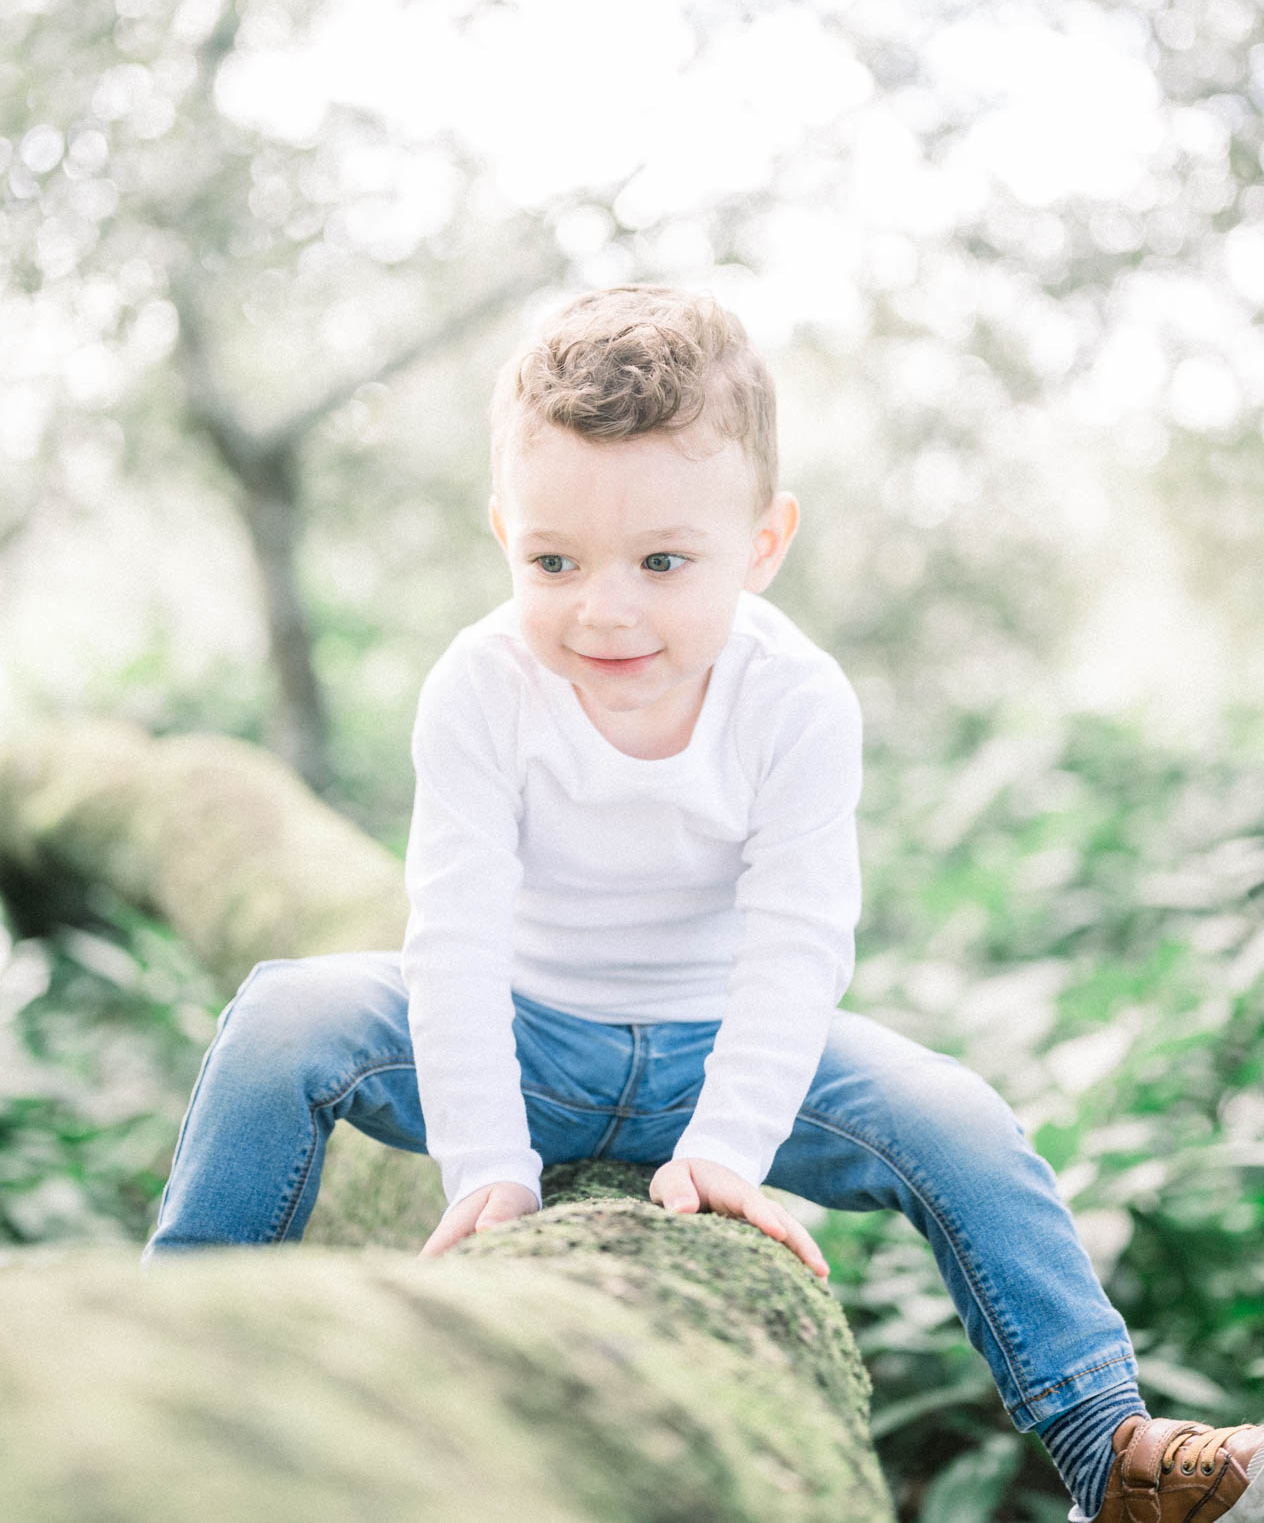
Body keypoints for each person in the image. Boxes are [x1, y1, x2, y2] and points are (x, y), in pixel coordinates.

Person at [147, 285, 1264, 1522]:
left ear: (763, 543)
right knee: (283, 1015)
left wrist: (728, 1147)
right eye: (553, 560)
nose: (605, 607)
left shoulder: (795, 699)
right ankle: (171, 1351)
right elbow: (451, 939)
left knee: (960, 1117)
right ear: (502, 530)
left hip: (724, 1049)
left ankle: (1109, 1447)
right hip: (526, 1036)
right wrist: (491, 1167)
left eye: (663, 561)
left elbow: (796, 945)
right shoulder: (481, 685)